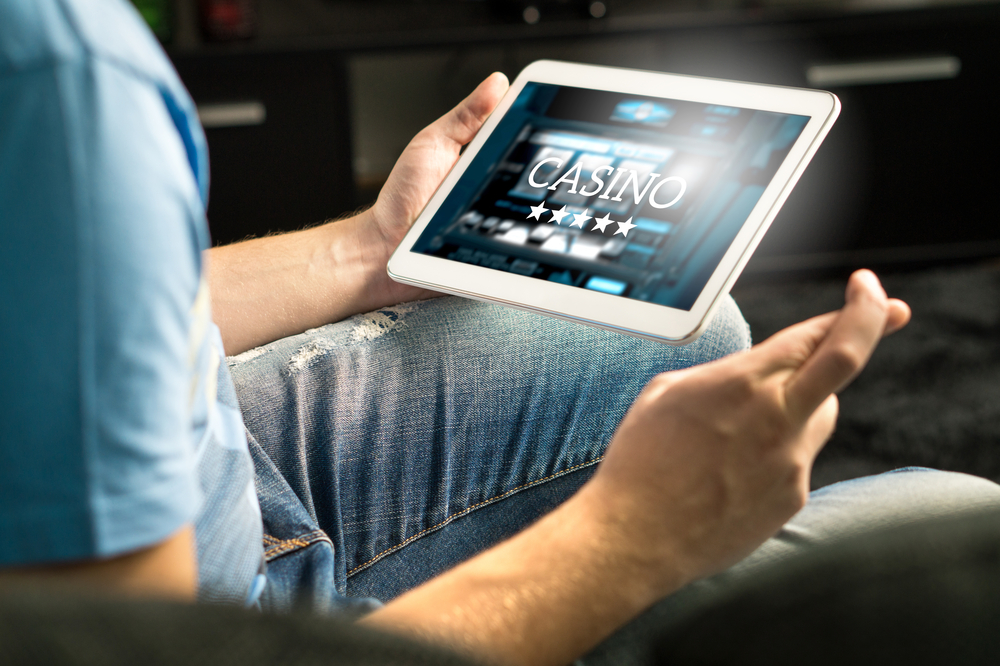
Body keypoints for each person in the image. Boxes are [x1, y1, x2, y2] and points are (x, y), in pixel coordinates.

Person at [2, 1, 999, 665]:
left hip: (203, 474)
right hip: (213, 612)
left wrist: (365, 251)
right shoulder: (61, 73)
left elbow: (66, 314)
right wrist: (629, 539)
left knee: (683, 334)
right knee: (959, 529)